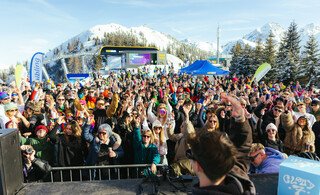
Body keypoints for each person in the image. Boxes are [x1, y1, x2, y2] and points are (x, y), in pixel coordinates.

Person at [186, 93, 256, 194]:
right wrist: (240, 119)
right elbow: (242, 148)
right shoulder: (240, 180)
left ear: (198, 166)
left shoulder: (237, 174)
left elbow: (241, 150)